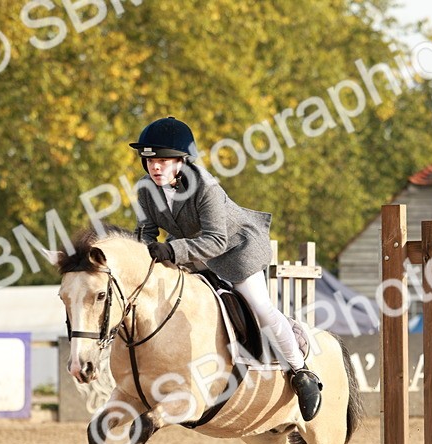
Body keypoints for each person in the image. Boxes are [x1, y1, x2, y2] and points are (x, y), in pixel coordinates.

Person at [128, 116, 323, 420]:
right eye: (150, 160)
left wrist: (172, 249)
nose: (155, 167)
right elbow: (145, 233)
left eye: (164, 160)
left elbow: (216, 240)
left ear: (181, 161)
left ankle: (301, 372)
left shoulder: (205, 187)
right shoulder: (144, 189)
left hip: (235, 251)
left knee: (260, 307)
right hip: (191, 253)